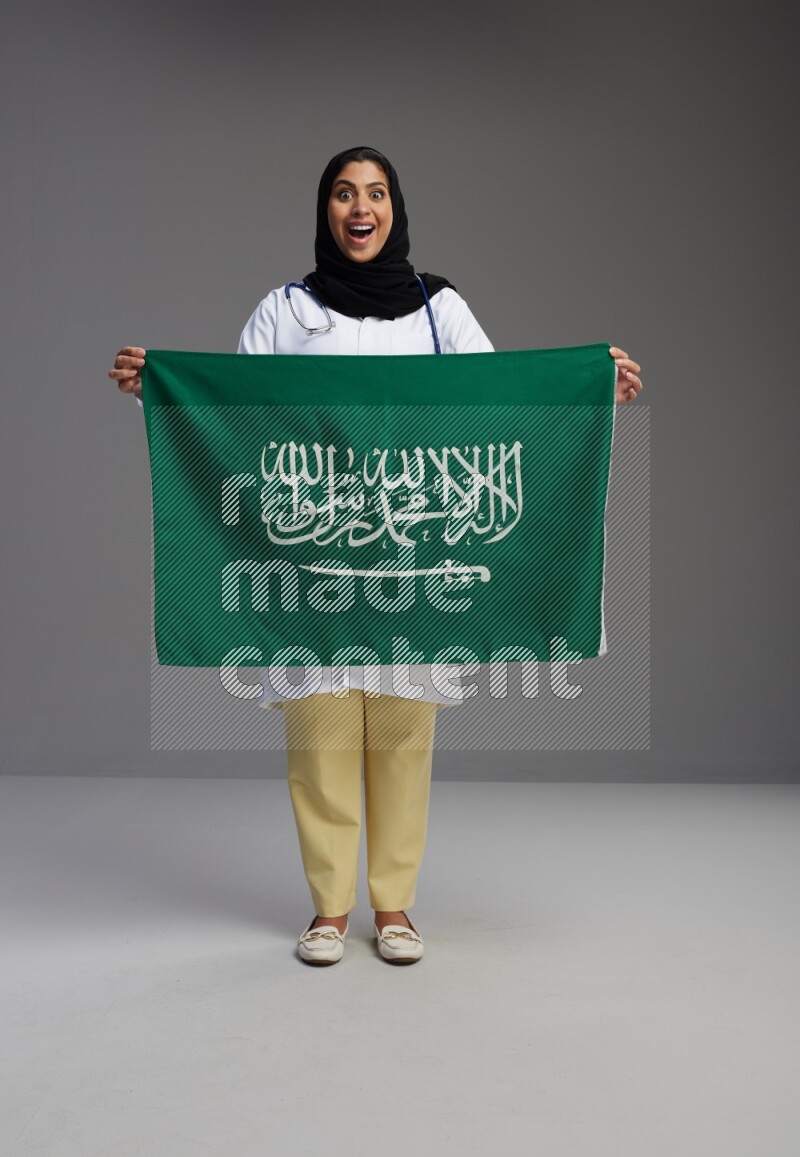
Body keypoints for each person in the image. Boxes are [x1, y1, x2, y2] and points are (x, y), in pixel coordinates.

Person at [109, 146, 644, 967]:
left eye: (376, 193)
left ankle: (393, 906)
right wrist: (164, 386)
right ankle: (328, 909)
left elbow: (497, 403)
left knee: (400, 737)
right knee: (319, 737)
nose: (360, 207)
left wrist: (589, 387)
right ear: (324, 210)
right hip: (312, 563)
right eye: (343, 193)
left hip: (411, 562)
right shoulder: (285, 311)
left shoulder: (439, 310)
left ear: (396, 209)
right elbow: (233, 413)